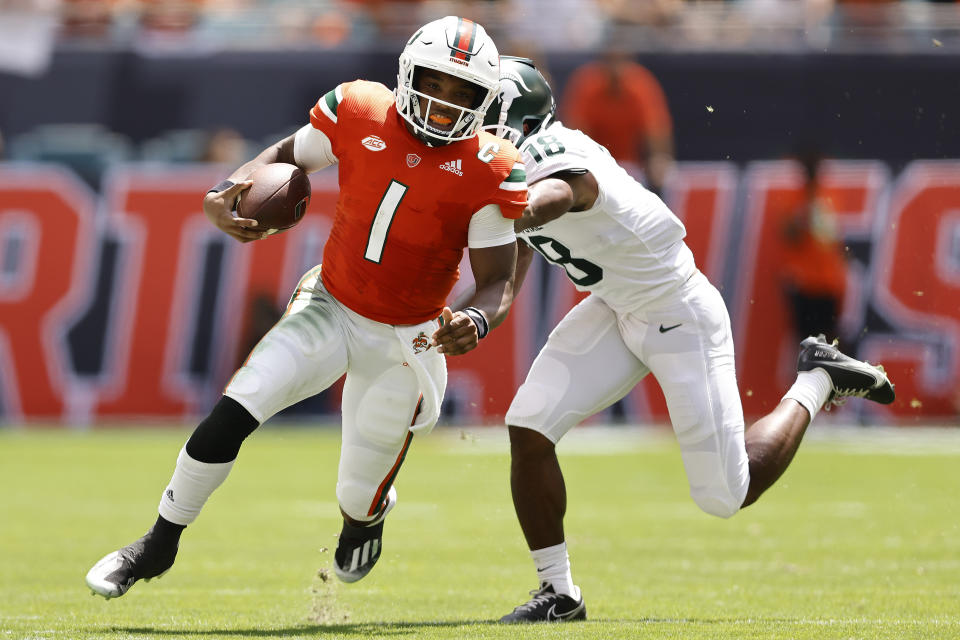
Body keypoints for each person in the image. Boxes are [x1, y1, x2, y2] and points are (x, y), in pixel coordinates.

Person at [85, 16, 527, 599]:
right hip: (331, 304)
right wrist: (230, 190)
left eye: (462, 91)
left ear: (484, 99)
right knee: (236, 409)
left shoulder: (490, 167)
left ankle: (365, 517)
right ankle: (158, 542)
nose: (444, 102)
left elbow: (498, 278)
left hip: (407, 338)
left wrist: (474, 318)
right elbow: (287, 153)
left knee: (355, 493)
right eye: (434, 82)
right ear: (406, 74)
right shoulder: (362, 110)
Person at [482, 57, 895, 623]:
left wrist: (488, 212)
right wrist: (476, 318)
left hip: (677, 310)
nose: (462, 120)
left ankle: (817, 378)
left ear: (510, 117)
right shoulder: (507, 179)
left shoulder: (554, 155)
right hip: (615, 305)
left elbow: (557, 196)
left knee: (727, 494)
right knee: (528, 425)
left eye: (474, 108)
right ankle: (560, 594)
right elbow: (508, 273)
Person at [560, 47, 674, 194]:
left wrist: (658, 159)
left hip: (634, 168)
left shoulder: (641, 84)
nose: (616, 68)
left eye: (621, 61)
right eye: (611, 61)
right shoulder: (586, 84)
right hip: (595, 165)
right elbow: (575, 132)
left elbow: (657, 130)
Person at [777, 146, 848, 344]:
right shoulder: (795, 199)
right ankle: (811, 373)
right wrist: (802, 217)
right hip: (804, 282)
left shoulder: (829, 196)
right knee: (806, 341)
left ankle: (829, 374)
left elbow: (833, 237)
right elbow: (788, 235)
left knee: (829, 339)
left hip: (828, 282)